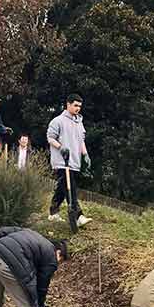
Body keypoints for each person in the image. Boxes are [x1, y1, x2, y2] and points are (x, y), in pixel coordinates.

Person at [47, 93, 92, 227]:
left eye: (80, 106)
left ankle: (53, 212)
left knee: (62, 187)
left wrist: (85, 154)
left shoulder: (79, 122)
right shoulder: (58, 121)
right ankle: (78, 216)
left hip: (74, 160)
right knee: (70, 187)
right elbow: (50, 138)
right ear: (68, 104)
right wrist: (60, 148)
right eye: (75, 105)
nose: (78, 108)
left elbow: (81, 140)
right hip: (62, 160)